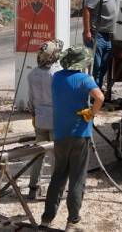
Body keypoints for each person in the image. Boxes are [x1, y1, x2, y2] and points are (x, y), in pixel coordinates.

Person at [41, 45, 104, 228]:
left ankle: (46, 219)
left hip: (60, 134)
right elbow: (99, 97)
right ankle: (72, 221)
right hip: (80, 134)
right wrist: (91, 113)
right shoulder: (85, 79)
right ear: (82, 63)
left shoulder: (56, 77)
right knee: (77, 178)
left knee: (58, 175)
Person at [25, 38, 62, 200]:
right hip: (55, 120)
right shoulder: (57, 74)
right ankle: (56, 190)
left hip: (39, 119)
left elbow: (30, 101)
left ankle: (33, 188)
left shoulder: (32, 74)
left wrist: (34, 115)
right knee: (56, 157)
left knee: (38, 155)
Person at [83, 0, 120, 93]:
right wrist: (87, 30)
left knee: (103, 67)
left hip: (108, 36)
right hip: (96, 34)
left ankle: (97, 92)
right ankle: (91, 95)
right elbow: (87, 9)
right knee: (96, 66)